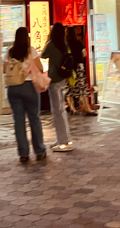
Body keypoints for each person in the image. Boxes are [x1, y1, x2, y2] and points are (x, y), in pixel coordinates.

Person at [4, 27, 47, 163]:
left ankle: (23, 154)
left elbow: (5, 69)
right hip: (29, 87)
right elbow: (40, 68)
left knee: (19, 121)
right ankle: (39, 151)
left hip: (13, 89)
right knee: (34, 119)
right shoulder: (30, 50)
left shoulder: (10, 52)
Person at [42, 22, 73, 151]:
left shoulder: (51, 44)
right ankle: (64, 138)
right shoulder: (64, 44)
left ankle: (63, 142)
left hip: (54, 80)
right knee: (61, 110)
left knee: (57, 111)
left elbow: (43, 54)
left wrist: (47, 40)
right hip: (63, 79)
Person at [65, 26, 95, 115]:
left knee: (70, 88)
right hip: (79, 67)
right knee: (82, 88)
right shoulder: (79, 43)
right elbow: (84, 54)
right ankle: (87, 108)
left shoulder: (65, 44)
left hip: (69, 69)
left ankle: (72, 108)